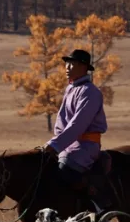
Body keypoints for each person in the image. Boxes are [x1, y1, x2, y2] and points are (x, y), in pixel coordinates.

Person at [39, 48, 108, 194]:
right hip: (66, 145)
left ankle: (97, 203)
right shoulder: (71, 89)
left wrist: (54, 144)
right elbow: (63, 124)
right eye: (67, 64)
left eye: (72, 64)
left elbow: (78, 125)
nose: (67, 68)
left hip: (85, 146)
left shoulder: (90, 92)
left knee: (65, 169)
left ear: (83, 67)